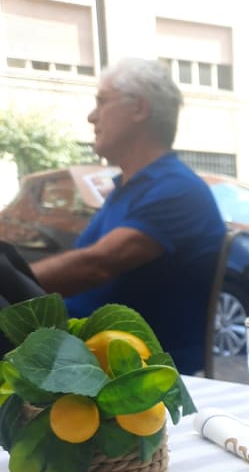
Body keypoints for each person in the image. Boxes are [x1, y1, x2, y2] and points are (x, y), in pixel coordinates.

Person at [30, 58, 226, 373]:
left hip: (141, 381)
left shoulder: (176, 189)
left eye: (101, 101)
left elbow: (96, 266)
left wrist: (11, 282)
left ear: (138, 109)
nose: (91, 116)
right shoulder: (126, 188)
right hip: (85, 364)